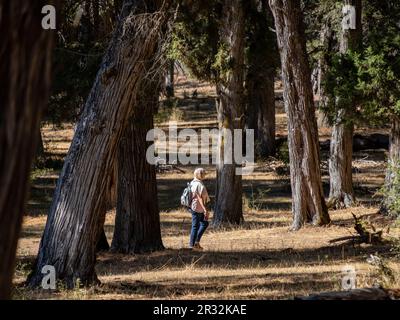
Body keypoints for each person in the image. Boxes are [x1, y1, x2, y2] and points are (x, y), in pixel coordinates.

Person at [189, 168, 210, 250]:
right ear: (200, 175)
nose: (205, 175)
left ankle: (196, 242)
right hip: (198, 208)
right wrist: (205, 210)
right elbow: (200, 198)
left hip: (194, 207)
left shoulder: (193, 182)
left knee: (204, 223)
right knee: (195, 226)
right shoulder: (198, 184)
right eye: (204, 173)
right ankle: (192, 245)